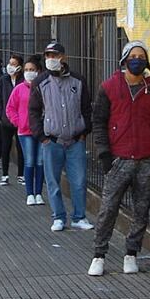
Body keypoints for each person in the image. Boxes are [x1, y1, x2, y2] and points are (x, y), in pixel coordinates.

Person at [88, 41, 150, 277]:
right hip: (118, 159)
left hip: (146, 160)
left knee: (141, 210)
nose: (137, 60)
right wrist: (105, 154)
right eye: (133, 56)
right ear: (124, 59)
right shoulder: (109, 87)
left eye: (141, 56)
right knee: (108, 209)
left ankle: (131, 253)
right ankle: (98, 255)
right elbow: (99, 121)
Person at [28, 41, 93, 232]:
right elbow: (33, 110)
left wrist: (84, 131)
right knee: (52, 181)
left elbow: (86, 108)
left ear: (63, 57)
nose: (50, 60)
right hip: (52, 140)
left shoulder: (78, 81)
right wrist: (41, 136)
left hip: (75, 140)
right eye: (47, 56)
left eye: (54, 56)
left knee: (79, 180)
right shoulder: (40, 82)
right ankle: (58, 216)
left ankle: (79, 216)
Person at [6, 56, 46, 207]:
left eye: (33, 70)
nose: (29, 73)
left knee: (40, 162)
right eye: (27, 70)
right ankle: (30, 194)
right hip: (25, 132)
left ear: (39, 71)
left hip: (42, 131)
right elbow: (10, 108)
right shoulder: (19, 89)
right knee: (29, 161)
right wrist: (19, 122)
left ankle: (39, 193)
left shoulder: (44, 87)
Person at [0, 53, 26, 186]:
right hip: (6, 120)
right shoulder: (3, 80)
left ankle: (21, 174)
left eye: (14, 64)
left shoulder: (23, 81)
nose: (10, 66)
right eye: (10, 63)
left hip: (20, 121)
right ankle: (5, 174)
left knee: (21, 148)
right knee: (5, 147)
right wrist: (0, 114)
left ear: (19, 66)